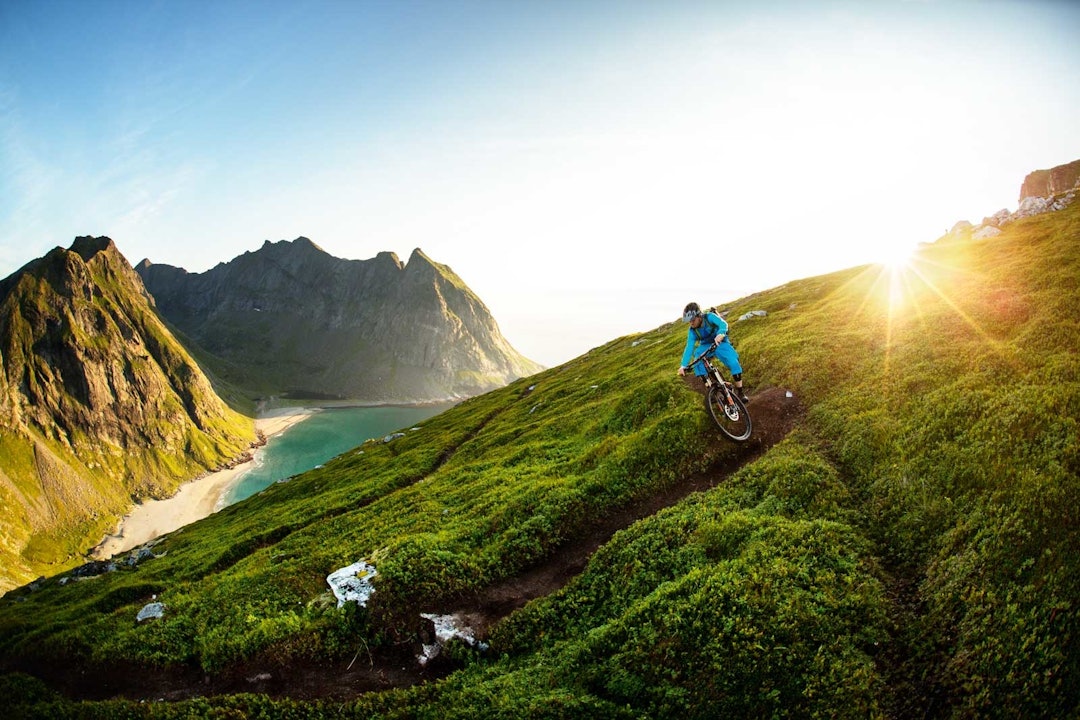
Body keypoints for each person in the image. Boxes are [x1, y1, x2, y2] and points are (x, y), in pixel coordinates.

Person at [677, 301, 750, 403]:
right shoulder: (692, 331)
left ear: (699, 316)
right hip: (706, 345)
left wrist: (721, 333)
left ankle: (741, 392)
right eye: (689, 321)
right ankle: (712, 390)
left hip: (720, 342)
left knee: (733, 362)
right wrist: (683, 365)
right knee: (697, 359)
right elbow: (689, 347)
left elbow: (723, 324)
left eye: (693, 320)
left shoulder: (710, 317)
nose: (691, 323)